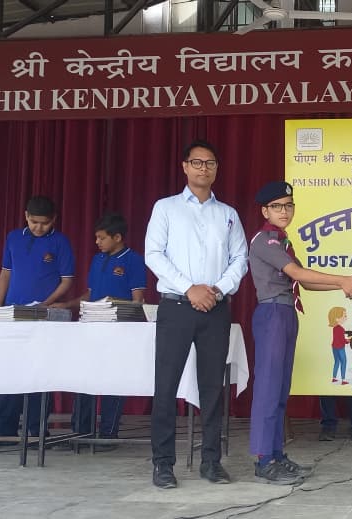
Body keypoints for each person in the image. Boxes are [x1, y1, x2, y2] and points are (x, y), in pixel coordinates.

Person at [145, 140, 248, 489]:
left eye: (210, 163)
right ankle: (163, 464)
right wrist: (190, 288)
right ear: (185, 166)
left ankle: (211, 462)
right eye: (197, 162)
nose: (204, 168)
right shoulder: (166, 208)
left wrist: (215, 290)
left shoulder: (228, 214)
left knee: (213, 388)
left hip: (215, 308)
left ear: (217, 168)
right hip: (176, 306)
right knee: (166, 386)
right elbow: (154, 254)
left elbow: (240, 259)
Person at [247, 180, 352, 484]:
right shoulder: (265, 241)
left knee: (280, 389)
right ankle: (263, 460)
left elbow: (306, 283)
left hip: (286, 312)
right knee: (268, 388)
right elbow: (297, 273)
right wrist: (340, 280)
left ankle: (276, 454)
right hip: (272, 313)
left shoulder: (283, 241)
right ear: (265, 211)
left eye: (288, 205)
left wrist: (345, 286)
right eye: (276, 206)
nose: (284, 211)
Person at [0, 196, 75, 448]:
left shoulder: (60, 242)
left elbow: (67, 281)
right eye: (34, 221)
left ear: (54, 220)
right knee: (10, 371)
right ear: (26, 216)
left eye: (45, 223)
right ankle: (5, 427)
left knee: (40, 371)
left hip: (43, 316)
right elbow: (5, 274)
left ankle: (37, 430)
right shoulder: (14, 237)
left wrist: (45, 303)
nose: (39, 227)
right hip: (12, 314)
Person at [49, 211, 146, 451]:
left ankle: (108, 434)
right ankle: (80, 432)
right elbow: (91, 295)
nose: (97, 242)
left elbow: (138, 300)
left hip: (119, 330)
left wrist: (115, 304)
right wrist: (67, 304)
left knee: (114, 381)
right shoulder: (97, 260)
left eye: (102, 238)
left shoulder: (133, 260)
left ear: (117, 237)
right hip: (90, 328)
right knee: (85, 379)